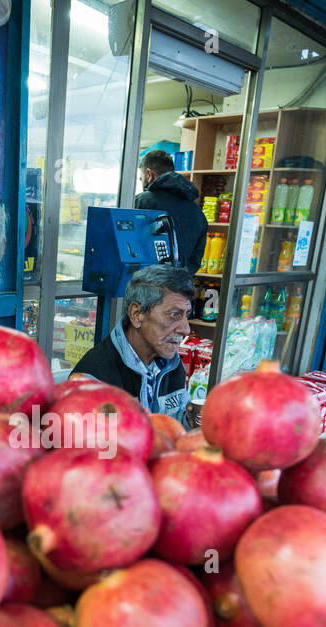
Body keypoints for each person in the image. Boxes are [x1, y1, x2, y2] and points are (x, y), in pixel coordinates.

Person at [70, 263, 192, 423]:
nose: (186, 329)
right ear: (136, 314)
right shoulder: (94, 378)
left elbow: (177, 424)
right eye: (174, 314)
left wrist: (191, 420)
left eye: (186, 315)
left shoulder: (172, 365)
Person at [134, 149, 208, 275]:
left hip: (144, 286)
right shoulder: (198, 212)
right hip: (179, 288)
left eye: (141, 179)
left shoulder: (141, 202)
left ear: (149, 174)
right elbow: (196, 260)